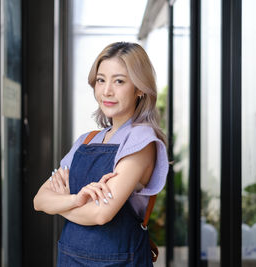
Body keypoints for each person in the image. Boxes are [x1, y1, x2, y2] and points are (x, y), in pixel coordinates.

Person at [34, 42, 169, 266]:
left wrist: (60, 206)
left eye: (119, 81)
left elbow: (101, 214)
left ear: (139, 88)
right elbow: (39, 200)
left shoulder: (142, 140)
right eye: (101, 80)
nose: (107, 91)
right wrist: (77, 200)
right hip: (70, 258)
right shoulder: (87, 140)